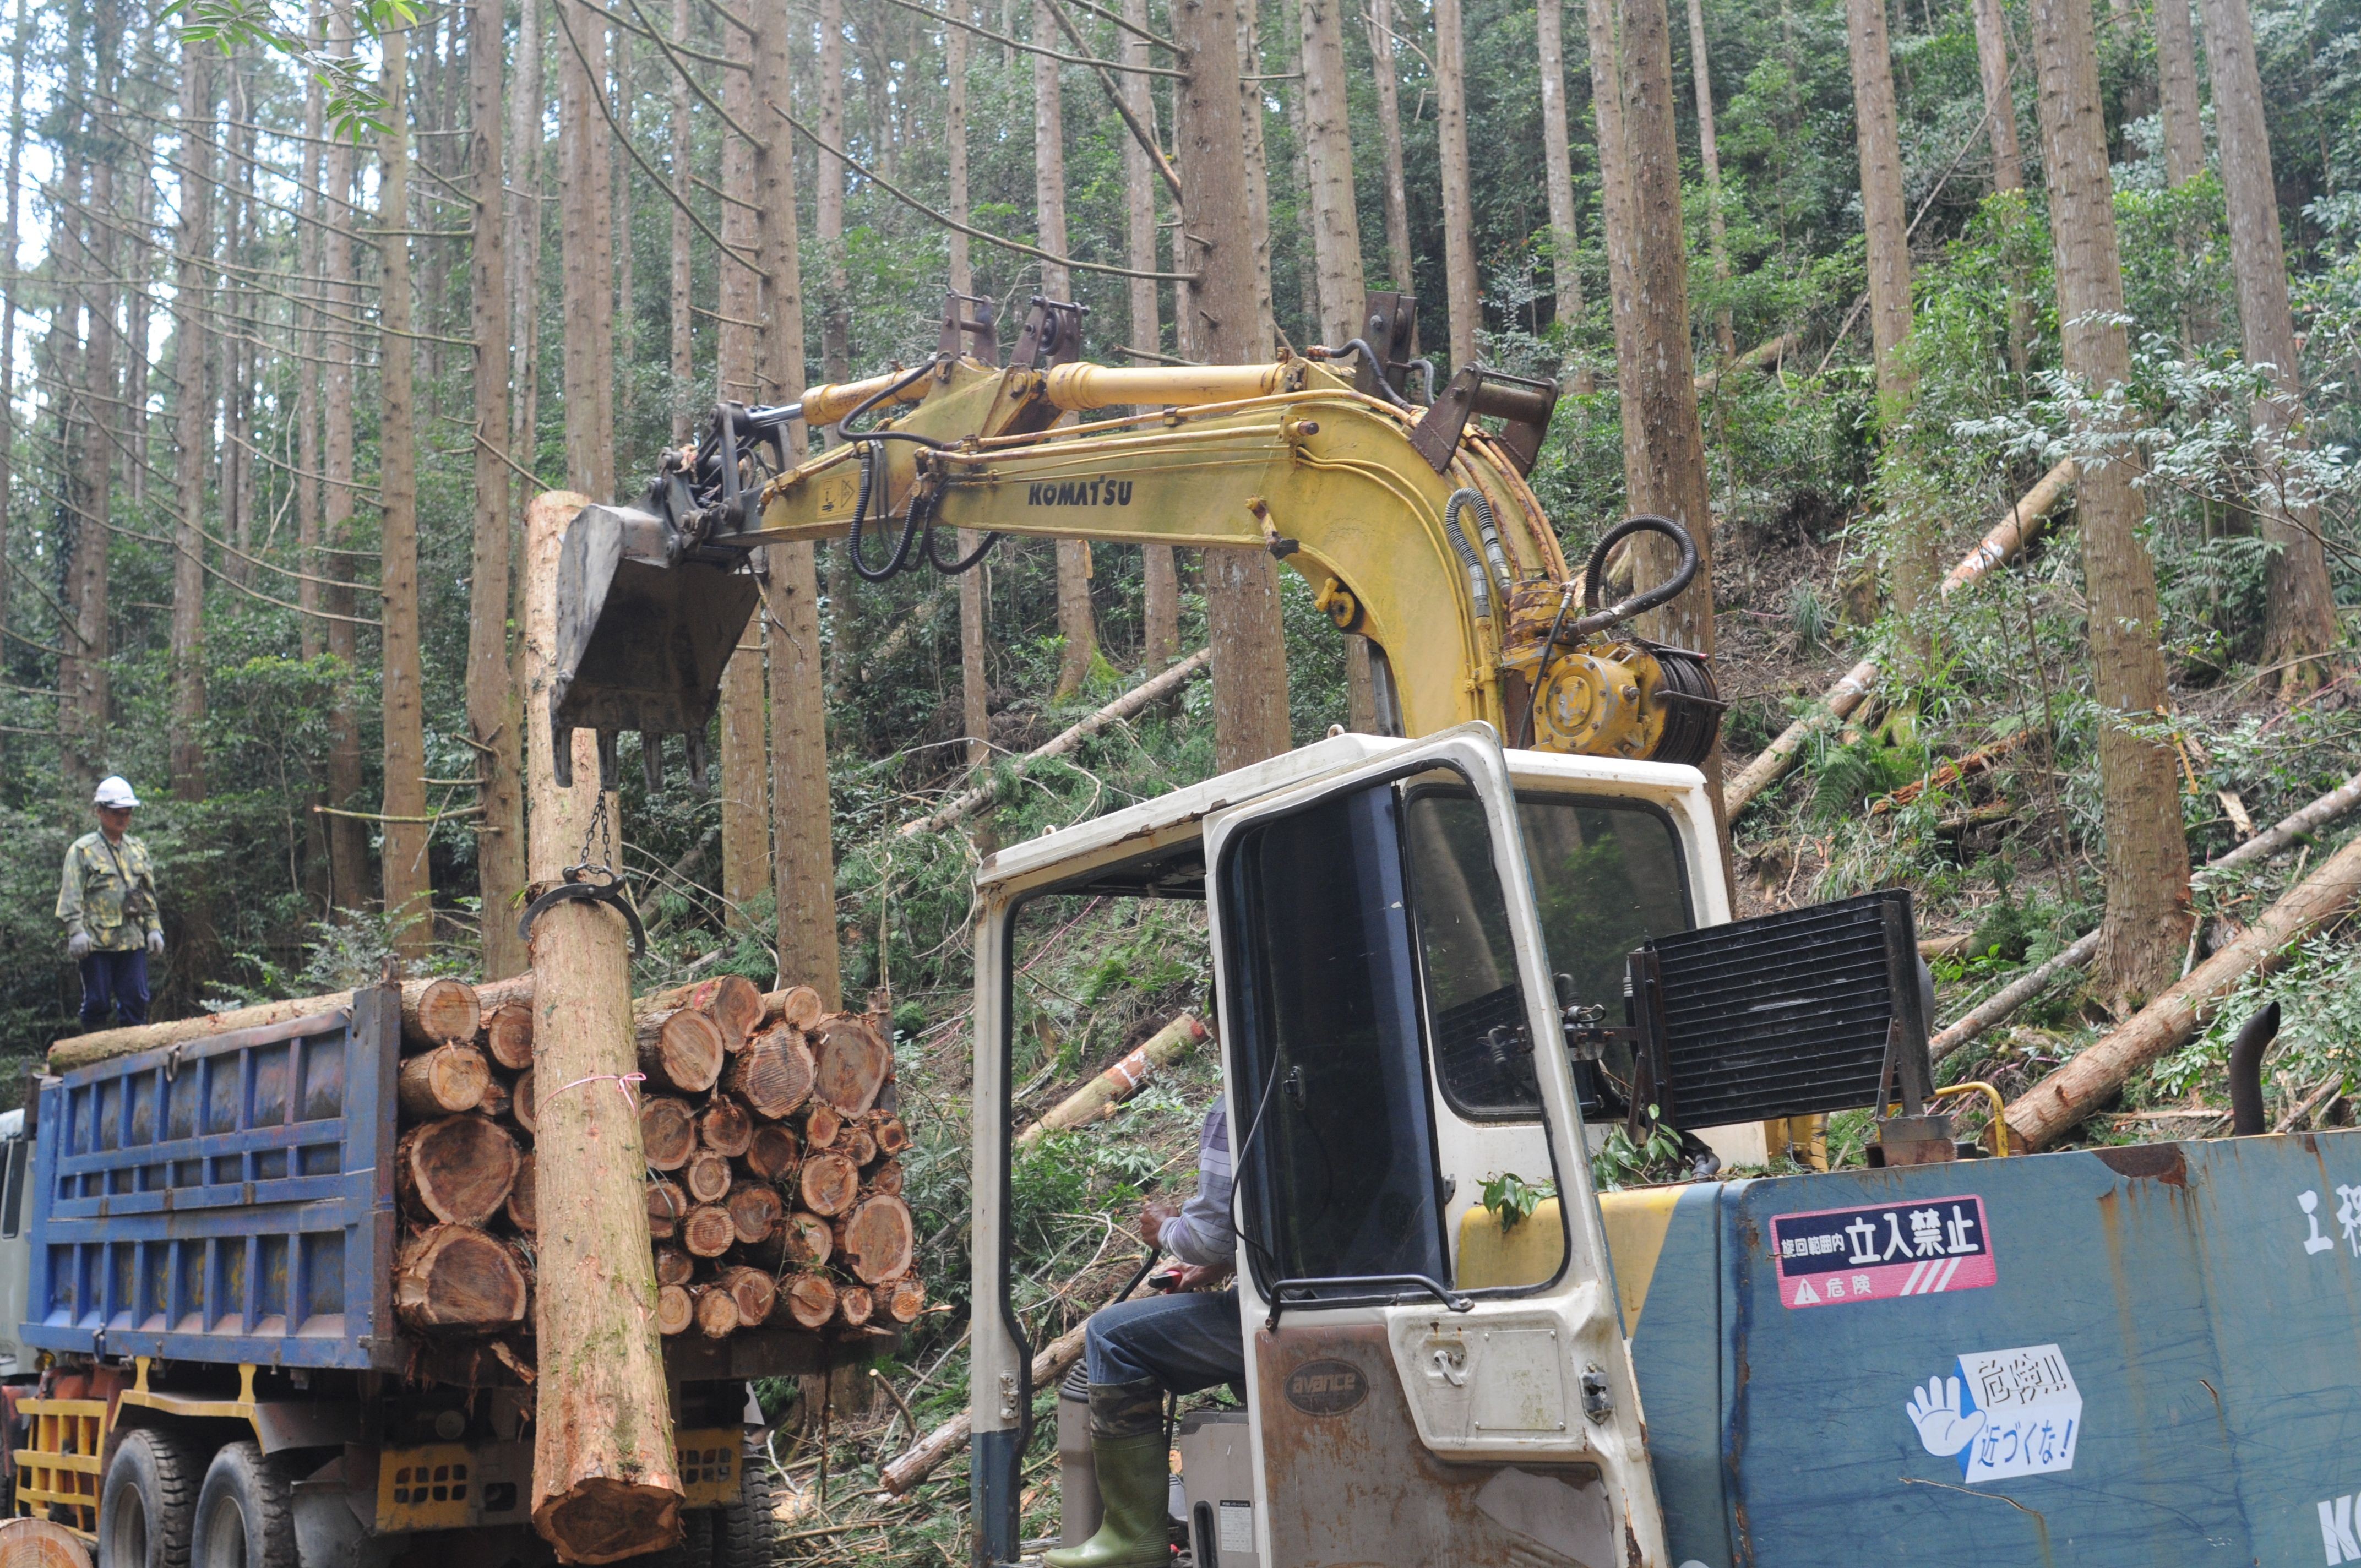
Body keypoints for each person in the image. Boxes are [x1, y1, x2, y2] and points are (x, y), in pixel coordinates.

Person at [1045, 1101, 1242, 1568]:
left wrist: (1166, 1230)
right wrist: (1218, 1266)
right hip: (1336, 1295)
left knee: (1111, 1336)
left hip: (1277, 1309)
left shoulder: (1238, 1100)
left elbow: (1211, 1233)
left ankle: (1134, 1537)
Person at [57, 776, 163, 1032]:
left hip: (132, 939)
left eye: (128, 813)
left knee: (136, 1000)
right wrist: (76, 931)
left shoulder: (137, 849)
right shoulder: (83, 850)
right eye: (117, 813)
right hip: (96, 942)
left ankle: (135, 1062)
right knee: (97, 1002)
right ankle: (96, 1063)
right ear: (100, 812)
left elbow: (147, 894)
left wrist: (153, 928)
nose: (123, 818)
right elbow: (71, 893)